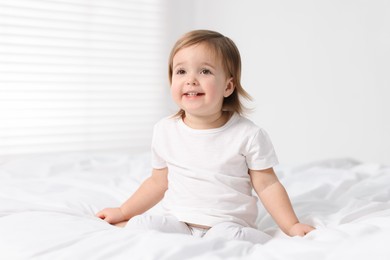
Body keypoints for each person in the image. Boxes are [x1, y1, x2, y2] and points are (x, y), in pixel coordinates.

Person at [96, 29, 315, 244]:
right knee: (140, 225)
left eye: (205, 71)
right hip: (178, 222)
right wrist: (123, 211)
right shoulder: (165, 130)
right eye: (181, 71)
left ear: (228, 86)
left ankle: (261, 242)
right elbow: (156, 182)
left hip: (227, 225)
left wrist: (291, 226)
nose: (191, 80)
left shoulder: (248, 134)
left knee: (230, 238)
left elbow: (267, 185)